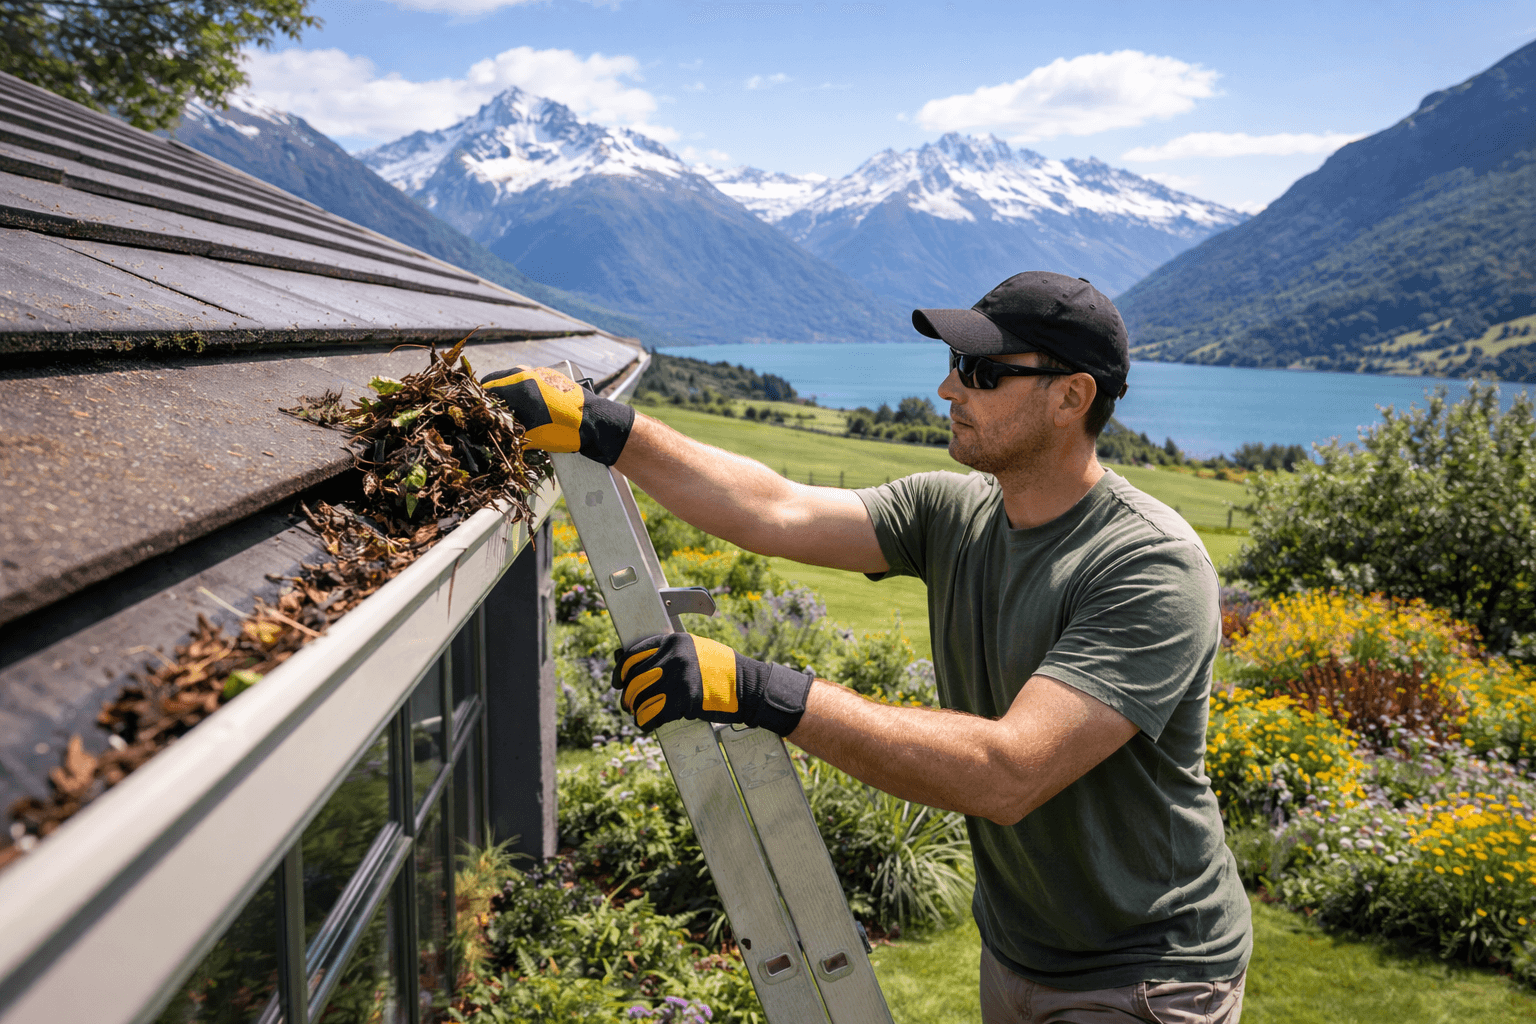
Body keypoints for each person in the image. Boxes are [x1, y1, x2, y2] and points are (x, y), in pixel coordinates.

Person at [481, 270, 1252, 1024]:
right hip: (1019, 951)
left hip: (1149, 976)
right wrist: (604, 427)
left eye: (981, 372)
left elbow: (1009, 773)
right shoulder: (953, 511)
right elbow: (773, 509)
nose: (949, 390)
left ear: (1072, 397)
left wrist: (763, 691)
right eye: (954, 366)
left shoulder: (1148, 566)